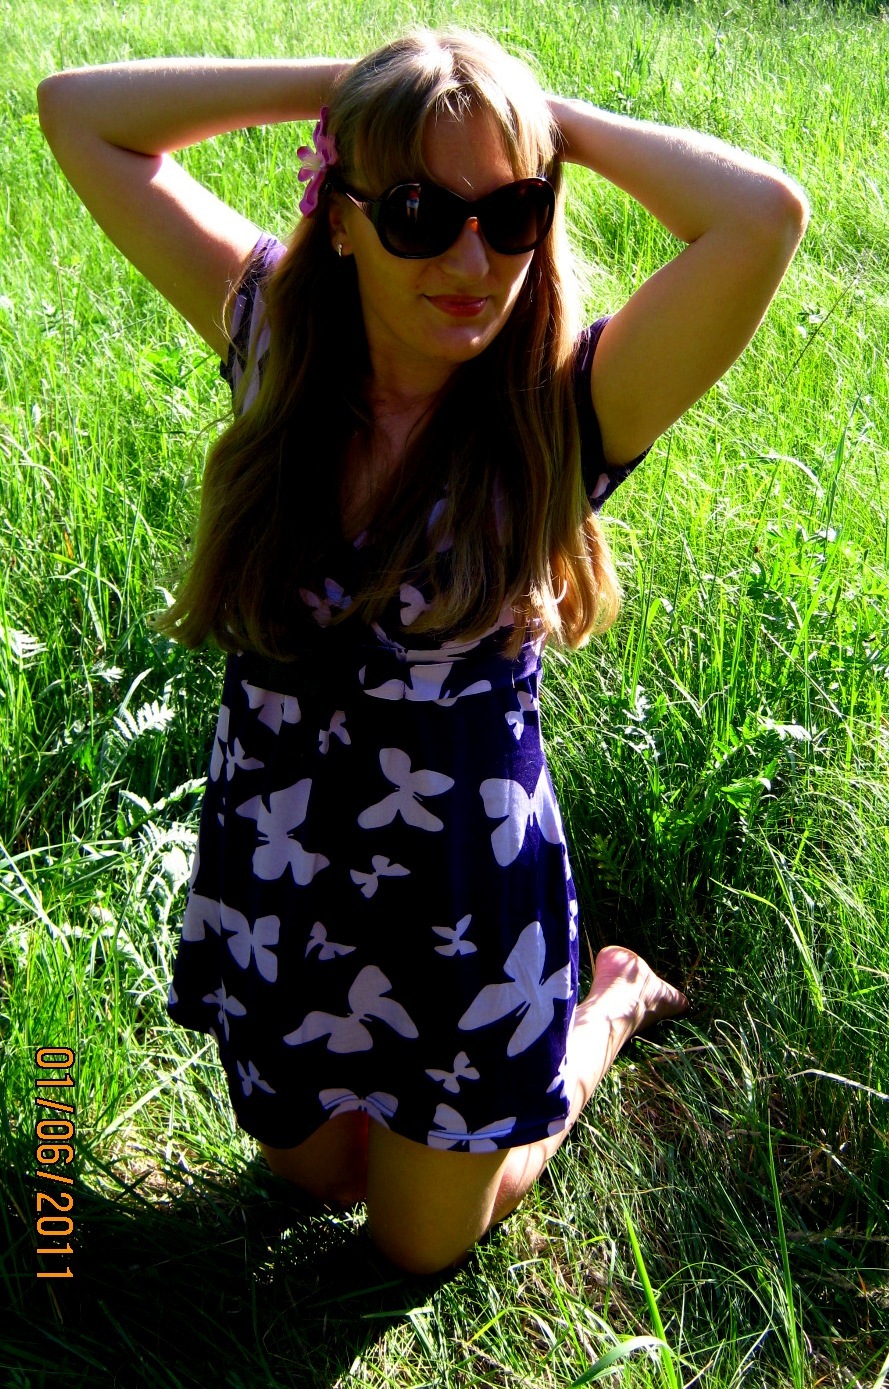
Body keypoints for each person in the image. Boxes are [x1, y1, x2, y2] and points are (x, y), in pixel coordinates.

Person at [37, 28, 808, 1276]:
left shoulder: (562, 410)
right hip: (282, 864)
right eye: (417, 212)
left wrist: (537, 119)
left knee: (413, 1245)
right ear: (340, 217)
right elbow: (78, 112)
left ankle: (605, 1004)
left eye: (510, 215)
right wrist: (350, 95)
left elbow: (761, 217)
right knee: (313, 1173)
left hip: (461, 897)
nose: (470, 262)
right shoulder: (274, 344)